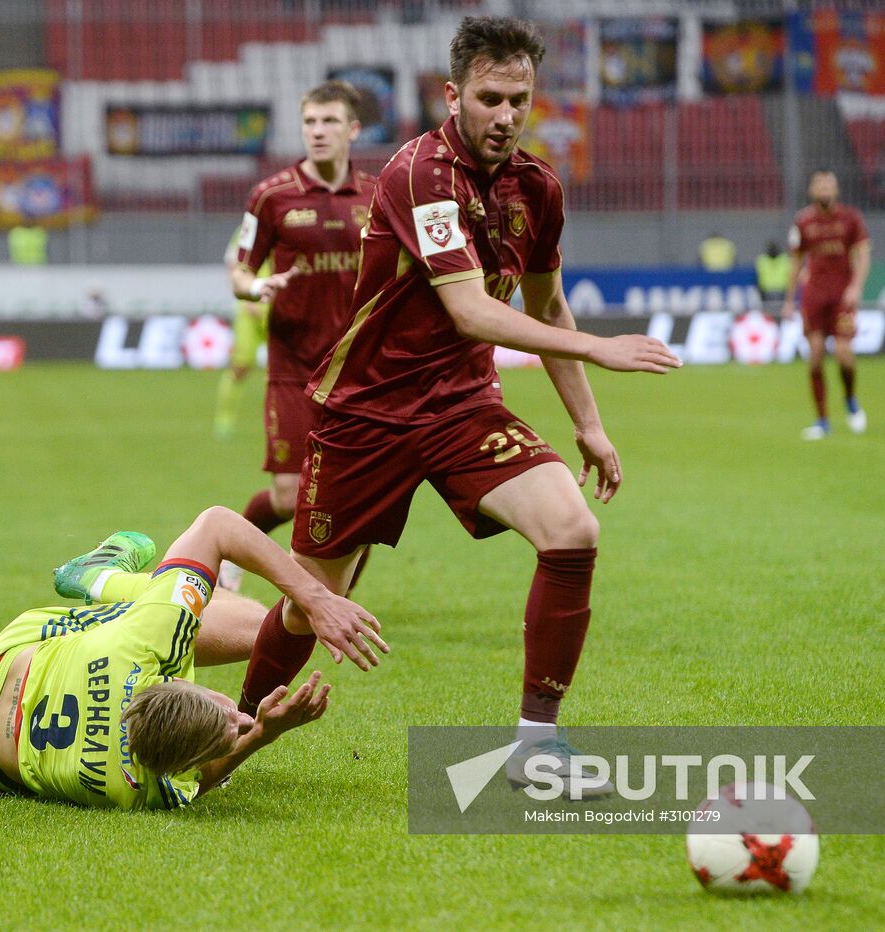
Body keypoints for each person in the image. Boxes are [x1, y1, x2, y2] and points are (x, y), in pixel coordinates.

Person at [237, 16, 680, 795]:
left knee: (573, 528)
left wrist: (590, 424)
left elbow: (547, 309)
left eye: (520, 100)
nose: (506, 116)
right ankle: (233, 730)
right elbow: (472, 312)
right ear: (453, 95)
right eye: (490, 98)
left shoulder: (538, 188)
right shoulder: (418, 174)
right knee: (311, 606)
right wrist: (604, 349)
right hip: (367, 416)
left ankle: (536, 746)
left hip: (463, 410)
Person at [0, 515, 377, 810]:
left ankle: (96, 578)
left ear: (176, 678)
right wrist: (262, 733)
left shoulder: (146, 646)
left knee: (208, 611)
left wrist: (314, 598)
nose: (237, 714)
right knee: (255, 624)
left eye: (226, 717)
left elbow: (217, 524)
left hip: (8, 656)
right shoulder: (135, 789)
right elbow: (207, 778)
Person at [227, 81, 378, 579]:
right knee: (289, 495)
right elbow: (240, 270)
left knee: (357, 494)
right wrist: (255, 289)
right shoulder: (271, 196)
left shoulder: (379, 196)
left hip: (359, 373)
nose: (318, 131)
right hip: (294, 367)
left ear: (353, 129)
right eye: (310, 122)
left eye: (330, 121)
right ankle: (229, 557)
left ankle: (337, 601)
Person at [781, 168, 871, 440]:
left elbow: (863, 255)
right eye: (819, 183)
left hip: (842, 296)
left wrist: (855, 287)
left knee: (843, 354)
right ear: (811, 190)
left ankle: (851, 399)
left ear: (836, 189)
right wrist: (788, 300)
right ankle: (822, 420)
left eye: (828, 183)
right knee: (816, 356)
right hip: (814, 296)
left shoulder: (851, 218)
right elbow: (796, 262)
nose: (824, 188)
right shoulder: (803, 221)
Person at [214, 224, 271, 440]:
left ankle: (280, 419)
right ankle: (224, 418)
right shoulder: (245, 230)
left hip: (279, 306)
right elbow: (232, 265)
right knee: (241, 365)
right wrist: (247, 293)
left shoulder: (291, 220)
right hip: (249, 306)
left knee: (285, 369)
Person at [755, 240, 790, 306]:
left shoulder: (785, 259)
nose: (773, 251)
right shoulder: (762, 260)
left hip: (782, 293)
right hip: (766, 294)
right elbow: (757, 279)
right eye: (771, 249)